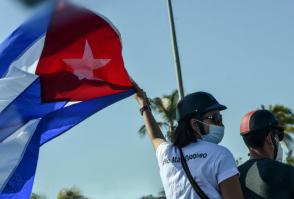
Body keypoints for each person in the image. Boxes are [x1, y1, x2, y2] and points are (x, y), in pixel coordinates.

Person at [134, 83, 243, 199]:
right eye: (216, 118)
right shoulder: (221, 155)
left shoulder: (166, 154)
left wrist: (143, 104)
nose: (221, 124)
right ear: (195, 124)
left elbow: (155, 137)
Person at [238, 109, 294, 199]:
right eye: (278, 136)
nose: (279, 142)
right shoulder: (288, 173)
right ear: (268, 137)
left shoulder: (233, 177)